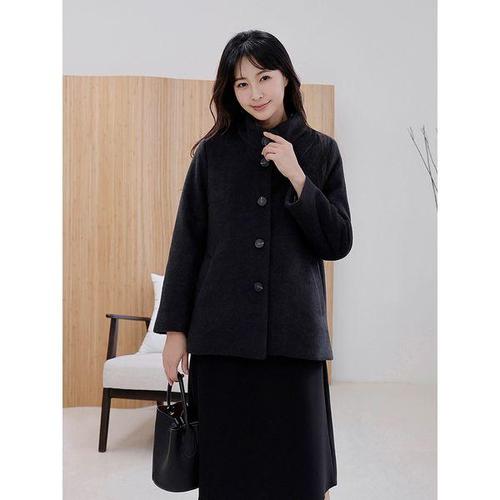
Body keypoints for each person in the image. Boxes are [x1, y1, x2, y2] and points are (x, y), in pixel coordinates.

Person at [153, 29, 353, 500]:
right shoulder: (213, 154)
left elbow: (338, 242)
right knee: (228, 473)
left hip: (294, 339)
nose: (255, 92)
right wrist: (176, 331)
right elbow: (187, 244)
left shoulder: (320, 151)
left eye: (264, 77)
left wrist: (297, 176)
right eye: (241, 83)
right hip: (221, 340)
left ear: (286, 79)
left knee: (299, 473)